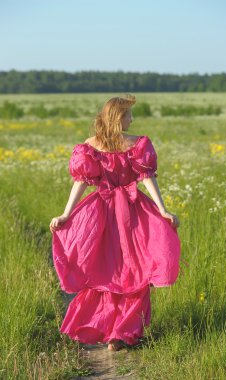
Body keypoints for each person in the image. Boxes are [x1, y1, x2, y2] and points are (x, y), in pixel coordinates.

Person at [49, 94, 185, 352]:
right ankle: (122, 332)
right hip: (132, 213)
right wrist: (162, 210)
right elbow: (148, 179)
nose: (132, 119)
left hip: (102, 212)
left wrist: (67, 214)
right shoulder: (137, 144)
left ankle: (113, 331)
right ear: (118, 117)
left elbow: (81, 183)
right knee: (135, 269)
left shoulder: (90, 146)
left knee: (106, 270)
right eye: (129, 114)